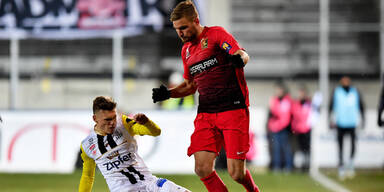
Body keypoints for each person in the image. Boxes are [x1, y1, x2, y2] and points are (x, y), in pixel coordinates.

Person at [151, 1, 259, 192]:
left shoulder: (216, 34)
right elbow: (190, 86)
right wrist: (169, 93)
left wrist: (238, 59)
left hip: (233, 109)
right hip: (206, 114)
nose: (180, 33)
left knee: (236, 174)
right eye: (177, 29)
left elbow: (242, 54)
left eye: (183, 27)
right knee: (201, 168)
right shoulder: (186, 51)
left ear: (196, 20)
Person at [78, 96, 190, 192]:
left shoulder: (123, 123)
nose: (112, 123)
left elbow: (156, 132)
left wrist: (147, 123)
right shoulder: (87, 145)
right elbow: (88, 176)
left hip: (150, 184)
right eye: (107, 120)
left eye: (113, 118)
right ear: (95, 118)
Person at [329, 76, 365, 180]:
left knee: (353, 144)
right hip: (340, 122)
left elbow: (361, 106)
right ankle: (341, 166)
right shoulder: (337, 92)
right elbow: (331, 106)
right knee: (340, 146)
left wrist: (363, 119)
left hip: (352, 122)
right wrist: (330, 119)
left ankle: (351, 164)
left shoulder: (355, 92)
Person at [266, 82, 293, 172]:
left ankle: (288, 167)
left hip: (284, 129)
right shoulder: (274, 100)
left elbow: (285, 115)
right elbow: (271, 113)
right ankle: (277, 166)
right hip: (275, 128)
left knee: (286, 149)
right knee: (276, 149)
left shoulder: (287, 101)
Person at [291, 84, 312, 172]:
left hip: (306, 129)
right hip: (298, 130)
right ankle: (300, 166)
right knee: (299, 149)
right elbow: (293, 115)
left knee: (306, 149)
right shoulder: (296, 104)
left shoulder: (309, 104)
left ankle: (306, 166)